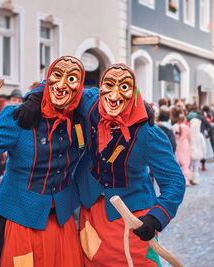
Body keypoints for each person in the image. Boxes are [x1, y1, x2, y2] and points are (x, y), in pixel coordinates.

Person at [0, 56, 87, 267]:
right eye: (56, 76)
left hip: (61, 222)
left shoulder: (80, 119)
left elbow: (102, 97)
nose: (62, 85)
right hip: (19, 219)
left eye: (71, 79)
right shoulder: (19, 116)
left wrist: (139, 105)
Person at [75, 63, 185, 266]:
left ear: (133, 92)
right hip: (92, 211)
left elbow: (174, 181)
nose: (115, 94)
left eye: (124, 87)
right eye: (109, 84)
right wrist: (36, 96)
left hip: (133, 219)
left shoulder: (148, 134)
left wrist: (156, 217)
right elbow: (63, 79)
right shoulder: (90, 104)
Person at [173, 113, 191, 186]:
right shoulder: (186, 127)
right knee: (185, 164)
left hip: (177, 145)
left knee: (178, 163)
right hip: (185, 146)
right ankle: (186, 180)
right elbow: (189, 137)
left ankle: (177, 180)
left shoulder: (174, 127)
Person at [189, 118, 206, 185]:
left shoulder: (190, 135)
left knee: (190, 166)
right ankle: (195, 180)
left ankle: (190, 178)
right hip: (198, 152)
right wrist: (204, 154)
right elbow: (203, 146)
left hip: (191, 152)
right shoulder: (200, 135)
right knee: (196, 167)